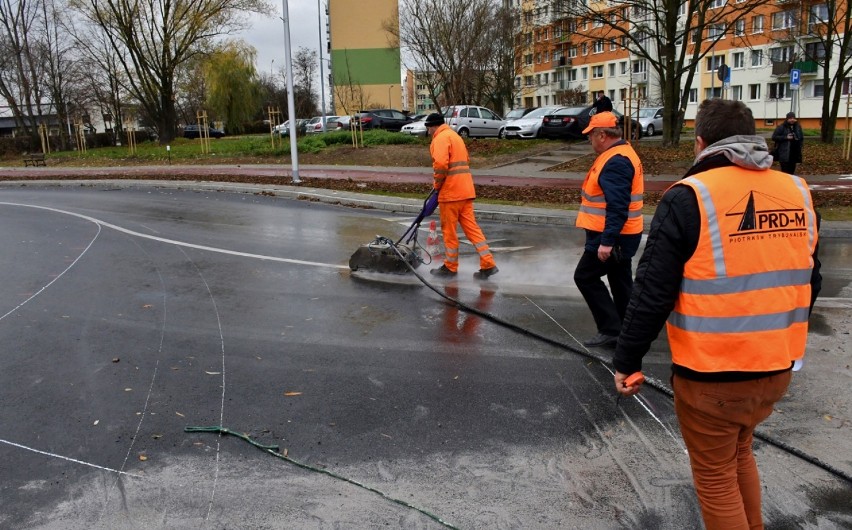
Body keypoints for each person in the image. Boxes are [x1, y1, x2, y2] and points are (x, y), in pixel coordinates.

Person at [613, 99, 821, 529]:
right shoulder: (796, 191)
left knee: (714, 476)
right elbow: (811, 278)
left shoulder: (690, 197)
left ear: (701, 142)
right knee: (739, 453)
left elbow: (652, 291)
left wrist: (626, 360)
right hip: (775, 367)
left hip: (713, 374)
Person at [574, 111, 644, 347]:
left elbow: (617, 207)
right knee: (620, 278)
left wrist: (607, 241)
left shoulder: (615, 161)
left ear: (602, 134)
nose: (590, 141)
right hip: (622, 234)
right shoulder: (620, 154)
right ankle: (628, 329)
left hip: (613, 235)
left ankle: (611, 328)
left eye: (591, 136)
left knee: (585, 277)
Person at [423, 112, 498, 280]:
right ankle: (488, 264)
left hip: (450, 193)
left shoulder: (440, 139)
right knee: (472, 230)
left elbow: (441, 164)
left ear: (433, 126)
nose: (428, 132)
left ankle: (450, 267)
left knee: (449, 231)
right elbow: (466, 160)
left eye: (428, 129)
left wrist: (437, 185)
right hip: (465, 191)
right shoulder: (455, 137)